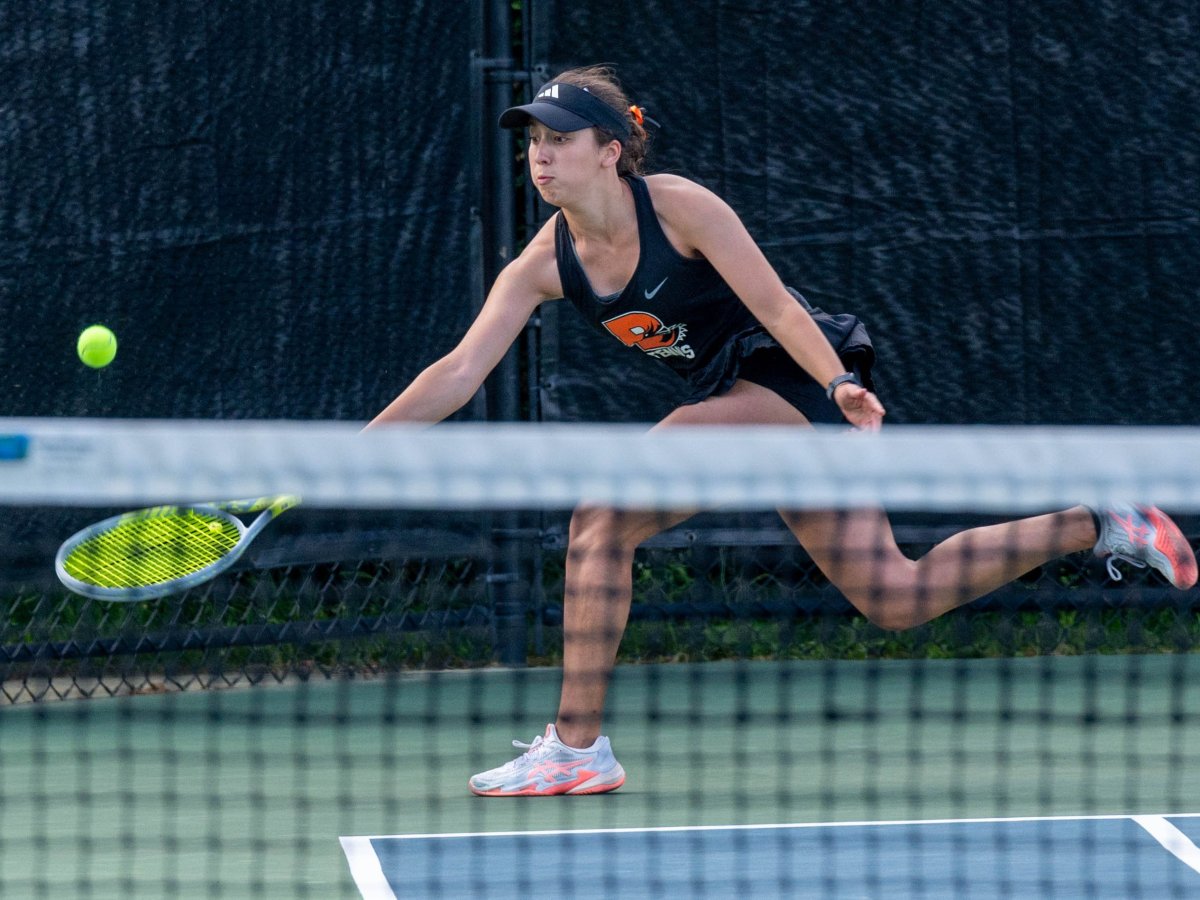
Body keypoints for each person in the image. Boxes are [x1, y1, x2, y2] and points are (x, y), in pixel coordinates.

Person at [366, 65, 1198, 797]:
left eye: (560, 138)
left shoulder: (681, 208)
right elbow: (459, 370)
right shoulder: (545, 262)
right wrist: (360, 449)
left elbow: (775, 306)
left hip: (793, 382)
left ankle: (577, 750)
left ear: (611, 150)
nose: (541, 155)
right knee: (894, 596)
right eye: (533, 142)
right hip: (743, 402)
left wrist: (838, 383)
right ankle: (1099, 521)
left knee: (603, 514)